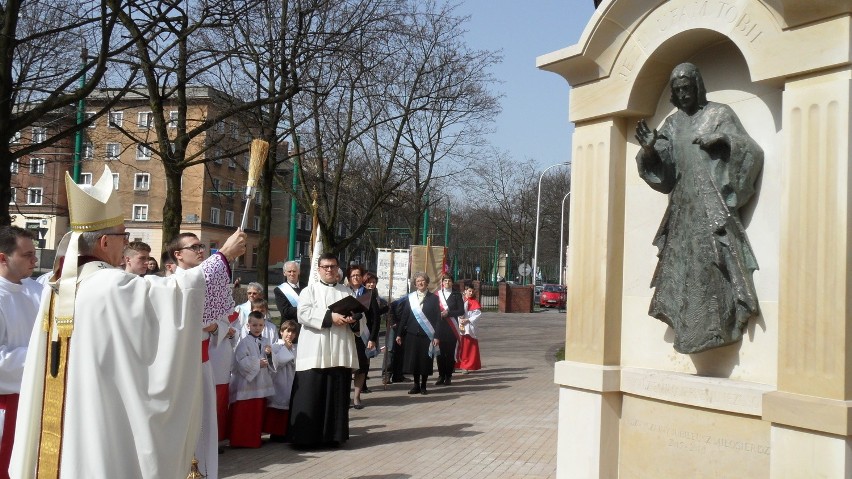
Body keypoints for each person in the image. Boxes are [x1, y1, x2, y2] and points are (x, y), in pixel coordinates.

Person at [10, 167, 246, 478]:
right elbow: (173, 297)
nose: (127, 243)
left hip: (68, 417)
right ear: (105, 242)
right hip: (100, 417)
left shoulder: (59, 286)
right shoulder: (108, 285)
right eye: (125, 236)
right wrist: (224, 256)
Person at [635, 62, 763, 354]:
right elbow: (663, 176)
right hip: (682, 211)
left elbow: (751, 151)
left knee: (715, 266)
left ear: (697, 87)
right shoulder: (672, 123)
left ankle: (719, 329)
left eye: (686, 89)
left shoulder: (719, 114)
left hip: (712, 207)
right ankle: (689, 333)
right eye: (677, 91)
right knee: (682, 270)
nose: (682, 95)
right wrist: (650, 150)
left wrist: (723, 140)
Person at [169, 232, 240, 479]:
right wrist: (224, 255)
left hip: (204, 362)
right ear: (177, 254)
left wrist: (214, 326)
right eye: (194, 247)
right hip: (183, 368)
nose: (200, 250)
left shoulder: (201, 280)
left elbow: (220, 319)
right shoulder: (173, 283)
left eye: (202, 246)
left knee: (205, 424)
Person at [288, 253, 362, 447]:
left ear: (338, 268)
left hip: (339, 349)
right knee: (310, 395)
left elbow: (357, 318)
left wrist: (352, 320)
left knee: (336, 395)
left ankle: (333, 437)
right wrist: (331, 318)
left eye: (333, 266)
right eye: (325, 266)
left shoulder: (347, 292)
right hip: (315, 351)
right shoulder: (308, 291)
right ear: (319, 269)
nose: (329, 270)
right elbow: (303, 314)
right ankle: (305, 439)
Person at [0, 227, 42, 479]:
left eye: (34, 254)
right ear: (3, 258)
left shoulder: (38, 291)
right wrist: (43, 356)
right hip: (6, 404)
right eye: (27, 255)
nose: (35, 260)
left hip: (36, 397)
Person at [228, 311, 275, 448]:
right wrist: (257, 364)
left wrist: (270, 355)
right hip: (247, 385)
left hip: (260, 383)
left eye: (260, 325)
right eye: (254, 325)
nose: (257, 328)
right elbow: (240, 360)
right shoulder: (244, 342)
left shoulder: (266, 341)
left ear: (264, 326)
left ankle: (255, 439)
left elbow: (273, 362)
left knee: (257, 413)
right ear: (248, 325)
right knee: (245, 414)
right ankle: (241, 440)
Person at [395, 272, 440, 395]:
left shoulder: (434, 298)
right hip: (412, 333)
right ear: (415, 284)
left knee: (425, 360)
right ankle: (416, 385)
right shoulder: (410, 298)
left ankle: (424, 385)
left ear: (427, 282)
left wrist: (436, 336)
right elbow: (404, 316)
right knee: (414, 360)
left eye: (423, 280)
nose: (420, 283)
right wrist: (399, 334)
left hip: (427, 335)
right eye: (418, 281)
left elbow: (437, 318)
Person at [346, 265, 378, 409]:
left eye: (358, 275)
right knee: (346, 367)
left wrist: (372, 338)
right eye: (353, 275)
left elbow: (375, 318)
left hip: (363, 336)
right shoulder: (343, 292)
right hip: (346, 335)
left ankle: (357, 397)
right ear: (348, 278)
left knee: (361, 368)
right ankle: (345, 397)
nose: (356, 278)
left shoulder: (368, 294)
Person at [264, 319, 299, 442]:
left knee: (288, 406)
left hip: (291, 379)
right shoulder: (276, 346)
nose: (290, 334)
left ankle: (286, 432)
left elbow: (297, 362)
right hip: (279, 381)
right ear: (281, 332)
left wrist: (290, 350)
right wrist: (285, 349)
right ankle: (276, 433)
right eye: (287, 331)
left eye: (293, 332)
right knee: (278, 405)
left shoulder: (296, 347)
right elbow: (275, 363)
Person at [434, 274, 464, 386]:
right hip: (439, 327)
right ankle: (441, 375)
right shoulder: (437, 295)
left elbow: (461, 311)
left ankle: (448, 376)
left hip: (452, 328)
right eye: (445, 280)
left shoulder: (456, 295)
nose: (447, 282)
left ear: (452, 282)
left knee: (449, 353)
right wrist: (439, 314)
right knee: (440, 353)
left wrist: (449, 313)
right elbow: (433, 310)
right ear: (442, 282)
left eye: (449, 280)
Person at [456, 285, 483, 373]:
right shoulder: (460, 300)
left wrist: (467, 320)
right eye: (469, 291)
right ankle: (457, 364)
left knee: (468, 348)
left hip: (468, 329)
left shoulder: (474, 302)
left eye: (472, 291)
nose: (471, 293)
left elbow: (477, 315)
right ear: (465, 291)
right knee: (458, 347)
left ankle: (466, 366)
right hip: (458, 326)